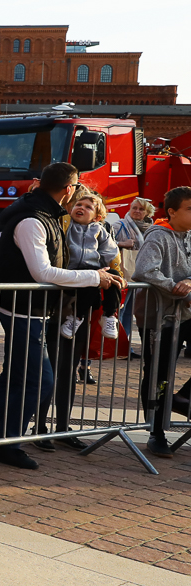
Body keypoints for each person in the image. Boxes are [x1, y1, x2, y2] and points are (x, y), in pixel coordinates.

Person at [0, 162, 123, 469]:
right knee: (40, 379)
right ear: (69, 190)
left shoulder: (43, 214)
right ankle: (7, 442)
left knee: (16, 375)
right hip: (25, 310)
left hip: (30, 309)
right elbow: (42, 272)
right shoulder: (33, 219)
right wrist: (92, 278)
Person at [133, 186, 191, 459]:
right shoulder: (157, 236)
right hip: (159, 315)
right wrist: (174, 286)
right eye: (190, 209)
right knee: (158, 371)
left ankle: (182, 399)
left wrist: (189, 284)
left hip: (186, 313)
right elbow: (144, 270)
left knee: (165, 374)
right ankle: (156, 432)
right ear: (172, 211)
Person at [58, 191, 122, 340]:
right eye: (78, 205)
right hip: (72, 271)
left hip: (94, 269)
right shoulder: (67, 223)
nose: (81, 208)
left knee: (113, 275)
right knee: (89, 283)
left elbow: (111, 253)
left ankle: (109, 315)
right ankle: (77, 317)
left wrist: (117, 273)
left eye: (88, 207)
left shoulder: (99, 230)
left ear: (97, 217)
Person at [114, 197, 155, 351]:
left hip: (139, 275)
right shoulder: (120, 225)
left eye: (141, 209)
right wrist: (122, 244)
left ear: (147, 212)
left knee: (131, 312)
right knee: (121, 310)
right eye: (134, 208)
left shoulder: (151, 227)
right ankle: (118, 346)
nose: (137, 211)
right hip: (123, 274)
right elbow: (106, 242)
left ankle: (126, 347)